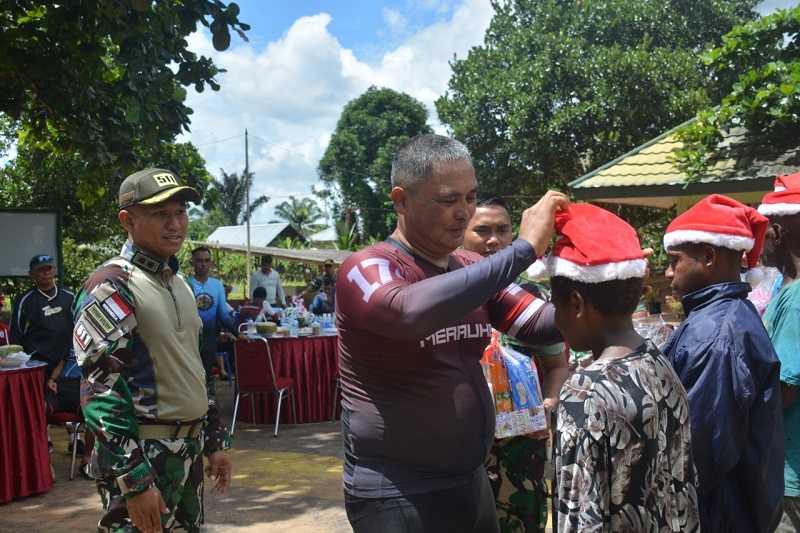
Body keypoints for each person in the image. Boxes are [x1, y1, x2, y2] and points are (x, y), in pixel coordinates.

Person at [337, 134, 567, 533]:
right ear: (401, 199)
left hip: (470, 481)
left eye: (470, 197)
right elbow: (406, 312)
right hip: (396, 492)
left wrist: (602, 281)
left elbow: (541, 323)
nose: (464, 212)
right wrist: (523, 248)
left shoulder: (469, 266)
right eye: (448, 200)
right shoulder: (367, 266)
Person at [73, 168, 232, 533]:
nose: (175, 224)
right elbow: (100, 388)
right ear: (128, 220)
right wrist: (134, 477)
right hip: (143, 455)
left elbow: (193, 368)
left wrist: (213, 440)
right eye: (161, 214)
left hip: (186, 454)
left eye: (180, 212)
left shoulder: (179, 285)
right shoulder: (112, 284)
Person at [544, 203, 699, 532]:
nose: (553, 318)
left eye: (554, 304)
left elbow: (579, 517)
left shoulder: (583, 393)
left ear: (576, 303)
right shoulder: (660, 363)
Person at [661, 194, 783, 533]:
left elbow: (699, 452)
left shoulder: (716, 335)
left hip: (721, 517)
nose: (668, 273)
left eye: (674, 261)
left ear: (709, 257)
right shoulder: (723, 317)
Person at [463, 196, 569, 533]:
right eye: (482, 230)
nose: (493, 239)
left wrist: (548, 403)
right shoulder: (448, 295)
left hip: (522, 442)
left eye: (502, 230)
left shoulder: (533, 298)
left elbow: (557, 364)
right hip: (464, 443)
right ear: (461, 233)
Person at [759, 174, 800, 532]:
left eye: (765, 229)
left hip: (791, 476)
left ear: (779, 231)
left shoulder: (798, 298)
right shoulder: (782, 285)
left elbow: (784, 391)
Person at [10, 254, 75, 380]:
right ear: (31, 274)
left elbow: (80, 327)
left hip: (66, 364)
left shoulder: (69, 296)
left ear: (55, 270)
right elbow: (15, 334)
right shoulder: (25, 300)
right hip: (36, 366)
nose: (45, 273)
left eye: (48, 269)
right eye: (40, 270)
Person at [188, 246, 236, 379]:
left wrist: (237, 333)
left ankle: (209, 401)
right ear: (192, 262)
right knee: (191, 378)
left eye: (206, 260)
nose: (203, 264)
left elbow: (223, 314)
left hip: (209, 337)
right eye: (199, 260)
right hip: (189, 337)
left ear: (210, 263)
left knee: (206, 377)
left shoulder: (217, 285)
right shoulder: (185, 284)